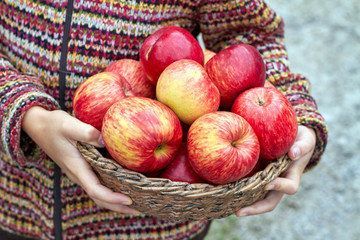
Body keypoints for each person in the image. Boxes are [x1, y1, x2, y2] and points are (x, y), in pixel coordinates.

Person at [0, 0, 328, 239]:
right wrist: (24, 112)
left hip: (161, 214)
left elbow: (248, 41)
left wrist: (293, 116)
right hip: (19, 200)